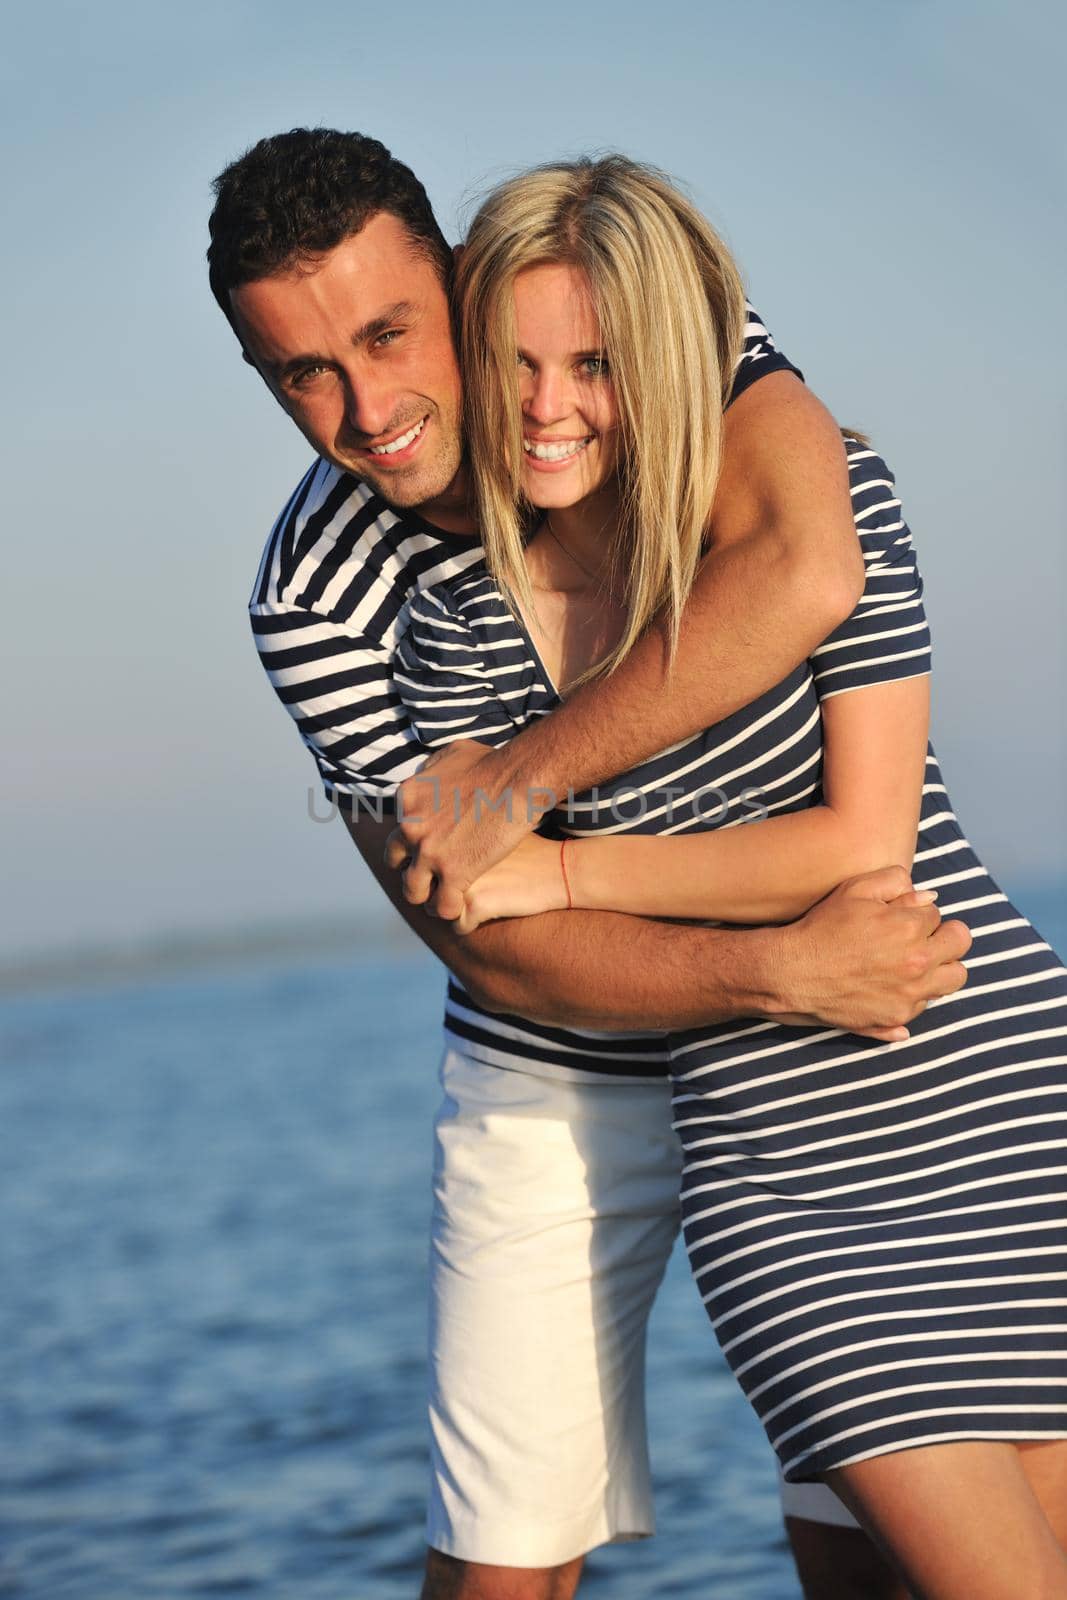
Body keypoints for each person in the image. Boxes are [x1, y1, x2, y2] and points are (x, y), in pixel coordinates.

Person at [207, 128, 970, 1600]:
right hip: (558, 1056)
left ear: (463, 279)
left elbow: (810, 568)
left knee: (866, 1544)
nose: (365, 411)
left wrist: (522, 777)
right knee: (504, 1565)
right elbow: (484, 943)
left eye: (386, 332)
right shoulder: (313, 596)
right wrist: (766, 966)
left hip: (819, 1022)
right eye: (303, 372)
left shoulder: (621, 321)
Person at [390, 152, 1067, 1599]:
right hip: (773, 1162)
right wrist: (550, 878)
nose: (549, 407)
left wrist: (566, 877)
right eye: (513, 363)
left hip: (988, 1076)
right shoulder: (450, 632)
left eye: (595, 364)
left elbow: (862, 850)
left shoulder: (833, 504)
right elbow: (468, 894)